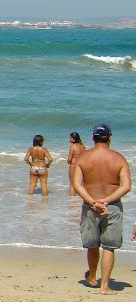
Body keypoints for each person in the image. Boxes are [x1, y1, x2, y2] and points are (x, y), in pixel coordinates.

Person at [73, 124, 132, 295]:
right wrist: (106, 200)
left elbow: (77, 185)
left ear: (92, 138)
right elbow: (126, 186)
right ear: (110, 138)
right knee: (109, 247)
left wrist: (93, 202)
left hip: (90, 207)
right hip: (111, 207)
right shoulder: (119, 158)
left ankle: (92, 276)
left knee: (92, 245)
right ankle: (104, 286)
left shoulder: (83, 158)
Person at [67, 131, 86, 196]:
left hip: (73, 166)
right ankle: (79, 200)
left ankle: (72, 201)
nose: (69, 139)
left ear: (74, 139)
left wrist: (68, 161)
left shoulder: (73, 146)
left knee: (72, 184)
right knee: (80, 184)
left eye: (70, 138)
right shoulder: (82, 145)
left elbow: (69, 159)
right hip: (81, 166)